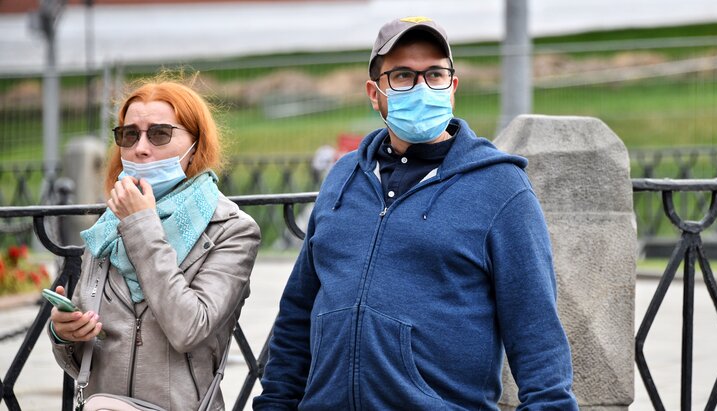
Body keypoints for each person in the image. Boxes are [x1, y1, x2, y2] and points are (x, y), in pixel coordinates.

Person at [254, 16, 579, 410]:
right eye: (403, 76)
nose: (422, 88)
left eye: (435, 75)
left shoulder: (500, 187)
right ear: (374, 93)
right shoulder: (343, 176)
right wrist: (275, 402)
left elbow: (536, 330)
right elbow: (297, 313)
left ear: (452, 88)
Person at [48, 76, 261, 410]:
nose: (141, 147)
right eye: (129, 134)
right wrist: (65, 334)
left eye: (160, 134)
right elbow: (86, 361)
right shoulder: (108, 226)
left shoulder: (232, 229)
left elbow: (189, 329)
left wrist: (140, 224)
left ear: (196, 145)